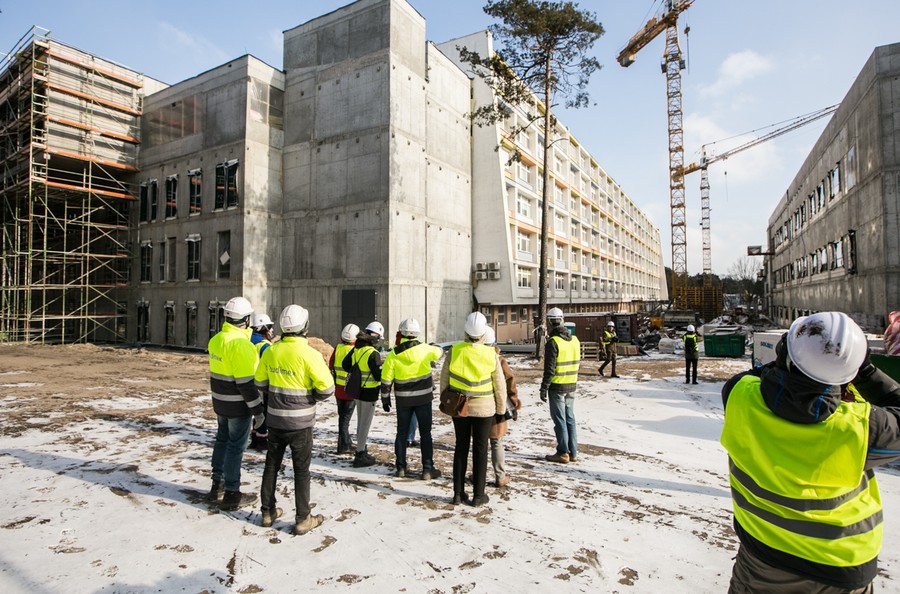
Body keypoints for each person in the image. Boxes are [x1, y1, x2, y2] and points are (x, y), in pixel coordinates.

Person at [721, 311, 900, 592]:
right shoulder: (861, 429)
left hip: (761, 560)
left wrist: (791, 354)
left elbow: (762, 378)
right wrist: (866, 373)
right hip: (839, 567)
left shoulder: (739, 396)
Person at [255, 305, 334, 535]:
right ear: (305, 326)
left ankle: (267, 512)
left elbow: (260, 382)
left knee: (271, 465)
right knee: (301, 471)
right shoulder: (310, 354)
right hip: (300, 423)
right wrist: (309, 398)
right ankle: (303, 518)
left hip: (275, 420)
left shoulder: (271, 351)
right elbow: (327, 389)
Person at [440, 312, 506, 506]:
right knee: (480, 449)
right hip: (484, 409)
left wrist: (446, 401)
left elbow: (444, 378)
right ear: (484, 332)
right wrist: (501, 410)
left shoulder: (454, 351)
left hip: (459, 407)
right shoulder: (490, 354)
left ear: (466, 331)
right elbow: (499, 385)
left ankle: (458, 493)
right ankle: (479, 495)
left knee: (461, 447)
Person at [206, 296, 264, 511]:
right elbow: (246, 384)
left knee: (222, 440)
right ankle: (232, 493)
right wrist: (258, 411)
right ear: (246, 319)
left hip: (220, 402)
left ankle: (217, 485)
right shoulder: (241, 345)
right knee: (235, 447)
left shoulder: (216, 340)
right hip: (238, 405)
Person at [380, 318, 444, 479]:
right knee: (426, 434)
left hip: (403, 400)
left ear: (401, 333)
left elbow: (386, 379)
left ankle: (401, 467)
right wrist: (435, 346)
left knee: (401, 434)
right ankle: (427, 469)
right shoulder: (425, 349)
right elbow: (440, 352)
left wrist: (385, 399)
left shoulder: (394, 354)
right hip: (423, 399)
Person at [539, 307, 581, 464]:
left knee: (560, 420)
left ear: (550, 322)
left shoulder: (553, 342)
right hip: (571, 385)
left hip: (557, 387)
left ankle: (563, 452)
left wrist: (544, 388)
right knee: (570, 418)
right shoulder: (575, 340)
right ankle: (573, 452)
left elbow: (549, 370)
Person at [342, 321, 384, 468]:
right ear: (375, 337)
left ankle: (361, 448)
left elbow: (346, 365)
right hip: (369, 392)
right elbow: (378, 376)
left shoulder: (356, 349)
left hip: (357, 391)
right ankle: (360, 454)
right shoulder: (373, 353)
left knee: (360, 422)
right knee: (365, 423)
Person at [483, 327, 521, 488]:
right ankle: (500, 476)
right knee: (496, 441)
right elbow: (510, 382)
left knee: (480, 443)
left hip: (478, 406)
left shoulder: (473, 359)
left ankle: (478, 474)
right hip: (497, 407)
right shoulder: (499, 360)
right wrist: (514, 402)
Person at [329, 323, 359, 455]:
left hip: (339, 390)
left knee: (342, 418)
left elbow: (331, 365)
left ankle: (344, 443)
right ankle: (344, 445)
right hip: (350, 391)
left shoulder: (338, 348)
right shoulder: (356, 351)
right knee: (345, 420)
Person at [249, 313, 276, 451]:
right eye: (270, 327)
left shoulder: (248, 342)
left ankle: (254, 438)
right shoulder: (265, 346)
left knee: (257, 411)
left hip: (249, 381)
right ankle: (261, 440)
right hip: (261, 383)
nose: (272, 330)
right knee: (263, 413)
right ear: (263, 328)